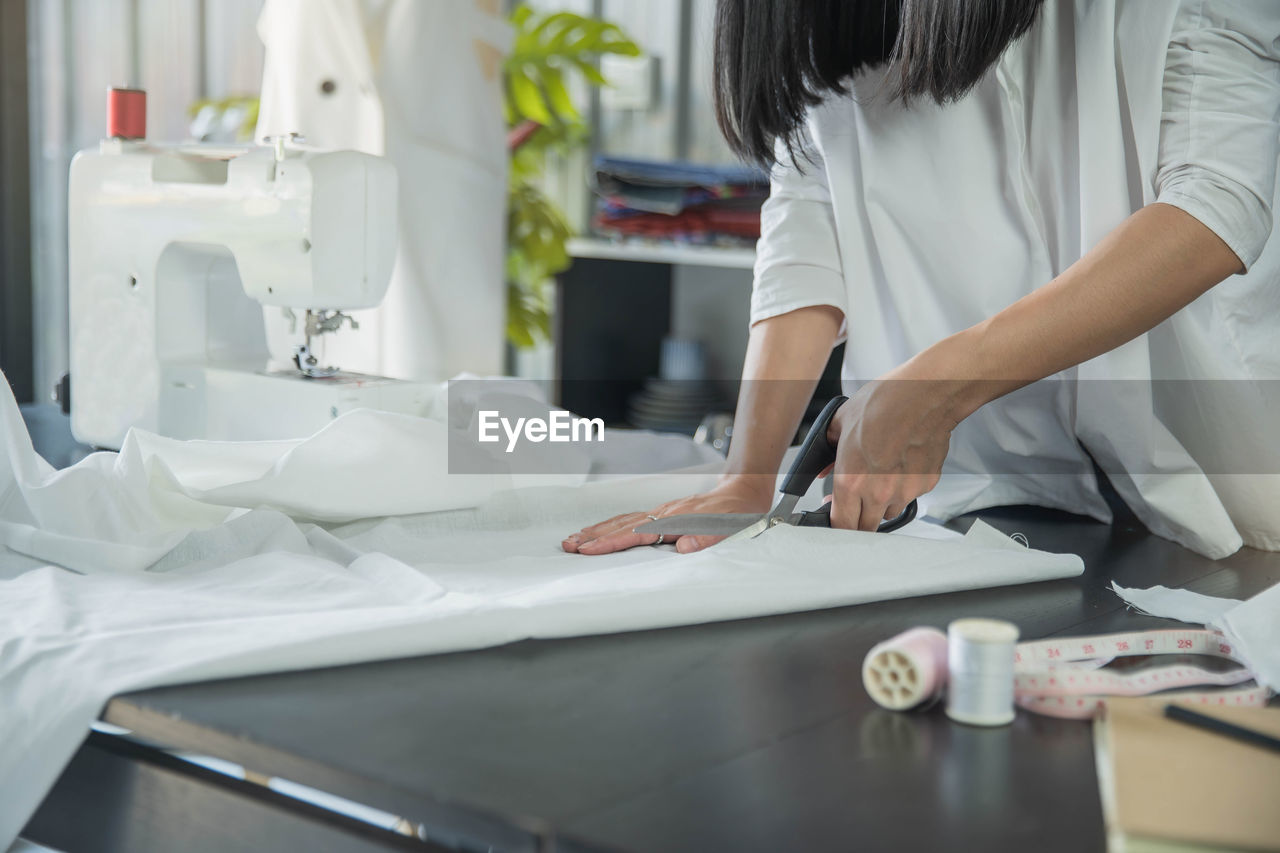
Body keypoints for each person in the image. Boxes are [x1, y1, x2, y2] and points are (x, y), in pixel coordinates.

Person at [564, 0, 1280, 559]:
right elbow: (808, 217)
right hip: (1000, 502)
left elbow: (1214, 207)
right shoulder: (833, 27)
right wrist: (747, 476)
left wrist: (942, 382)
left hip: (1227, 494)